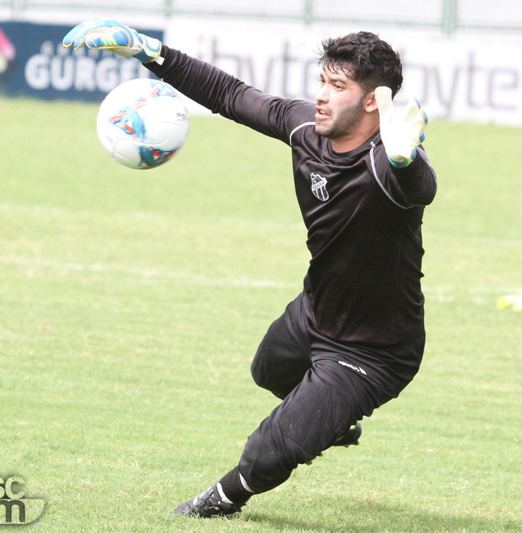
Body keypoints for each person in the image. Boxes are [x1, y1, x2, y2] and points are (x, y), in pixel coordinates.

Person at [63, 20, 437, 518]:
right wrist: (147, 51)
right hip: (315, 312)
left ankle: (220, 502)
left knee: (272, 448)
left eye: (338, 87)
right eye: (322, 82)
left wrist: (407, 160)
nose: (322, 96)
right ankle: (335, 421)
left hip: (375, 348)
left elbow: (420, 191)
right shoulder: (306, 128)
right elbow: (228, 93)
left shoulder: (388, 162)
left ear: (374, 101)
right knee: (269, 368)